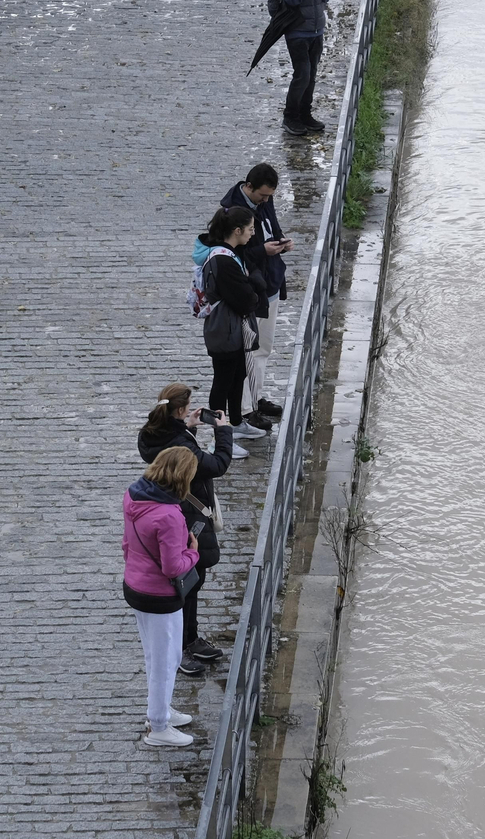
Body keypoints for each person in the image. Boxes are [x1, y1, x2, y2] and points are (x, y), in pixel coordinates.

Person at [139, 383, 234, 677]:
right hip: (187, 517)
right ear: (180, 409)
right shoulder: (181, 445)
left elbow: (175, 443)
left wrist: (187, 427)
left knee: (190, 583)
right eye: (188, 407)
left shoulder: (152, 434)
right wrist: (223, 430)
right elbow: (217, 464)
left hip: (177, 510)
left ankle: (190, 639)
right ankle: (180, 648)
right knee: (186, 584)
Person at [123, 447, 202, 747]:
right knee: (165, 660)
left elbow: (127, 543)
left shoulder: (133, 496)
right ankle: (158, 726)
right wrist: (192, 552)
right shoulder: (169, 515)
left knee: (158, 655)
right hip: (159, 595)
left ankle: (161, 708)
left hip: (136, 586)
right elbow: (173, 566)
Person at [222, 163, 292, 431]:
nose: (266, 200)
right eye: (262, 195)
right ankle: (245, 409)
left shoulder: (264, 201)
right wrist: (264, 251)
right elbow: (235, 256)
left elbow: (270, 230)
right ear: (248, 187)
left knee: (263, 348)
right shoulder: (232, 213)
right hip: (252, 291)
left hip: (269, 283)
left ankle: (256, 397)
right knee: (251, 351)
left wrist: (281, 243)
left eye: (269, 196)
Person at [195, 205, 266, 440]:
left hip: (231, 328)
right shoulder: (223, 261)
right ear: (237, 230)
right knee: (223, 382)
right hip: (224, 330)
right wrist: (255, 286)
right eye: (250, 229)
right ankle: (220, 437)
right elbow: (246, 300)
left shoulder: (232, 252)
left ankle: (235, 423)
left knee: (239, 374)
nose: (252, 233)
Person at [275, 0, 333, 136]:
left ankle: (305, 114)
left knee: (312, 74)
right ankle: (290, 117)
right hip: (297, 30)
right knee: (302, 74)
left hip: (317, 29)